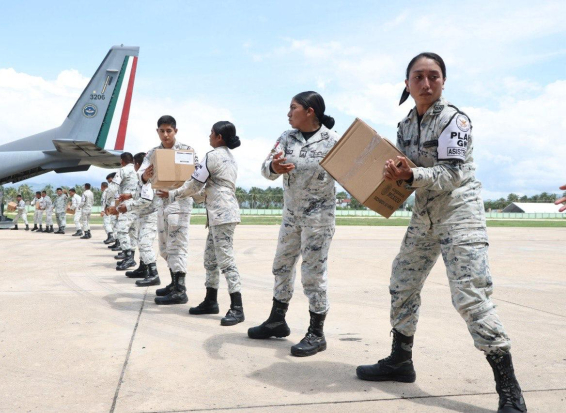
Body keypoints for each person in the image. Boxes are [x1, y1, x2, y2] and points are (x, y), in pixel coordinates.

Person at [355, 53, 526, 413]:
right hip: (425, 216)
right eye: (418, 76)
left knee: (471, 297)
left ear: (443, 82)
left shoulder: (455, 120)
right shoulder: (405, 126)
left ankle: (509, 390)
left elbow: (451, 175)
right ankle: (401, 360)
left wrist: (409, 175)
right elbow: (404, 172)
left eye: (434, 76)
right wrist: (390, 172)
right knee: (402, 281)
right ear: (407, 83)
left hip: (459, 215)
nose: (426, 83)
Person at [247, 91, 339, 357]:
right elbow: (265, 169)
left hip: (318, 218)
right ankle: (277, 320)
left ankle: (316, 333)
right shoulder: (286, 138)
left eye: (293, 108)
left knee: (313, 273)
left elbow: (352, 174)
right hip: (291, 215)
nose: (288, 113)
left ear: (310, 111)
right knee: (281, 266)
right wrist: (274, 168)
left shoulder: (333, 141)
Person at [156, 121, 243, 326]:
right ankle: (211, 301)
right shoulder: (231, 158)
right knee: (210, 260)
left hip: (221, 214)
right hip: (221, 213)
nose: (209, 136)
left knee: (226, 261)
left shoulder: (212, 156)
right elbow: (207, 189)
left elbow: (195, 183)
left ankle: (237, 307)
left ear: (219, 137)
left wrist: (173, 193)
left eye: (211, 133)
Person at [135, 115, 200, 303]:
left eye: (168, 131)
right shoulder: (153, 152)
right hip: (161, 205)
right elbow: (141, 174)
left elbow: (196, 177)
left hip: (179, 204)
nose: (165, 135)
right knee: (164, 248)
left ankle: (180, 290)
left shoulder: (187, 151)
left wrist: (177, 190)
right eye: (162, 131)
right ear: (157, 132)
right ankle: (173, 283)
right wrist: (145, 177)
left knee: (177, 246)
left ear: (175, 131)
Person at [117, 152, 160, 280]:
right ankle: (143, 269)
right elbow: (140, 193)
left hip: (150, 215)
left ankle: (154, 274)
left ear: (137, 164)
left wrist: (128, 206)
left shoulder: (147, 177)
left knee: (145, 244)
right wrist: (129, 196)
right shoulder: (144, 177)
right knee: (141, 243)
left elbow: (146, 199)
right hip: (144, 215)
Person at [114, 153, 139, 268]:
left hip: (126, 204)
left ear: (122, 161)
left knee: (121, 231)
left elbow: (113, 187)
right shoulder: (138, 171)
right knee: (133, 232)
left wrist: (111, 203)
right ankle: (131, 257)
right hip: (138, 204)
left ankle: (128, 257)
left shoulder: (122, 170)